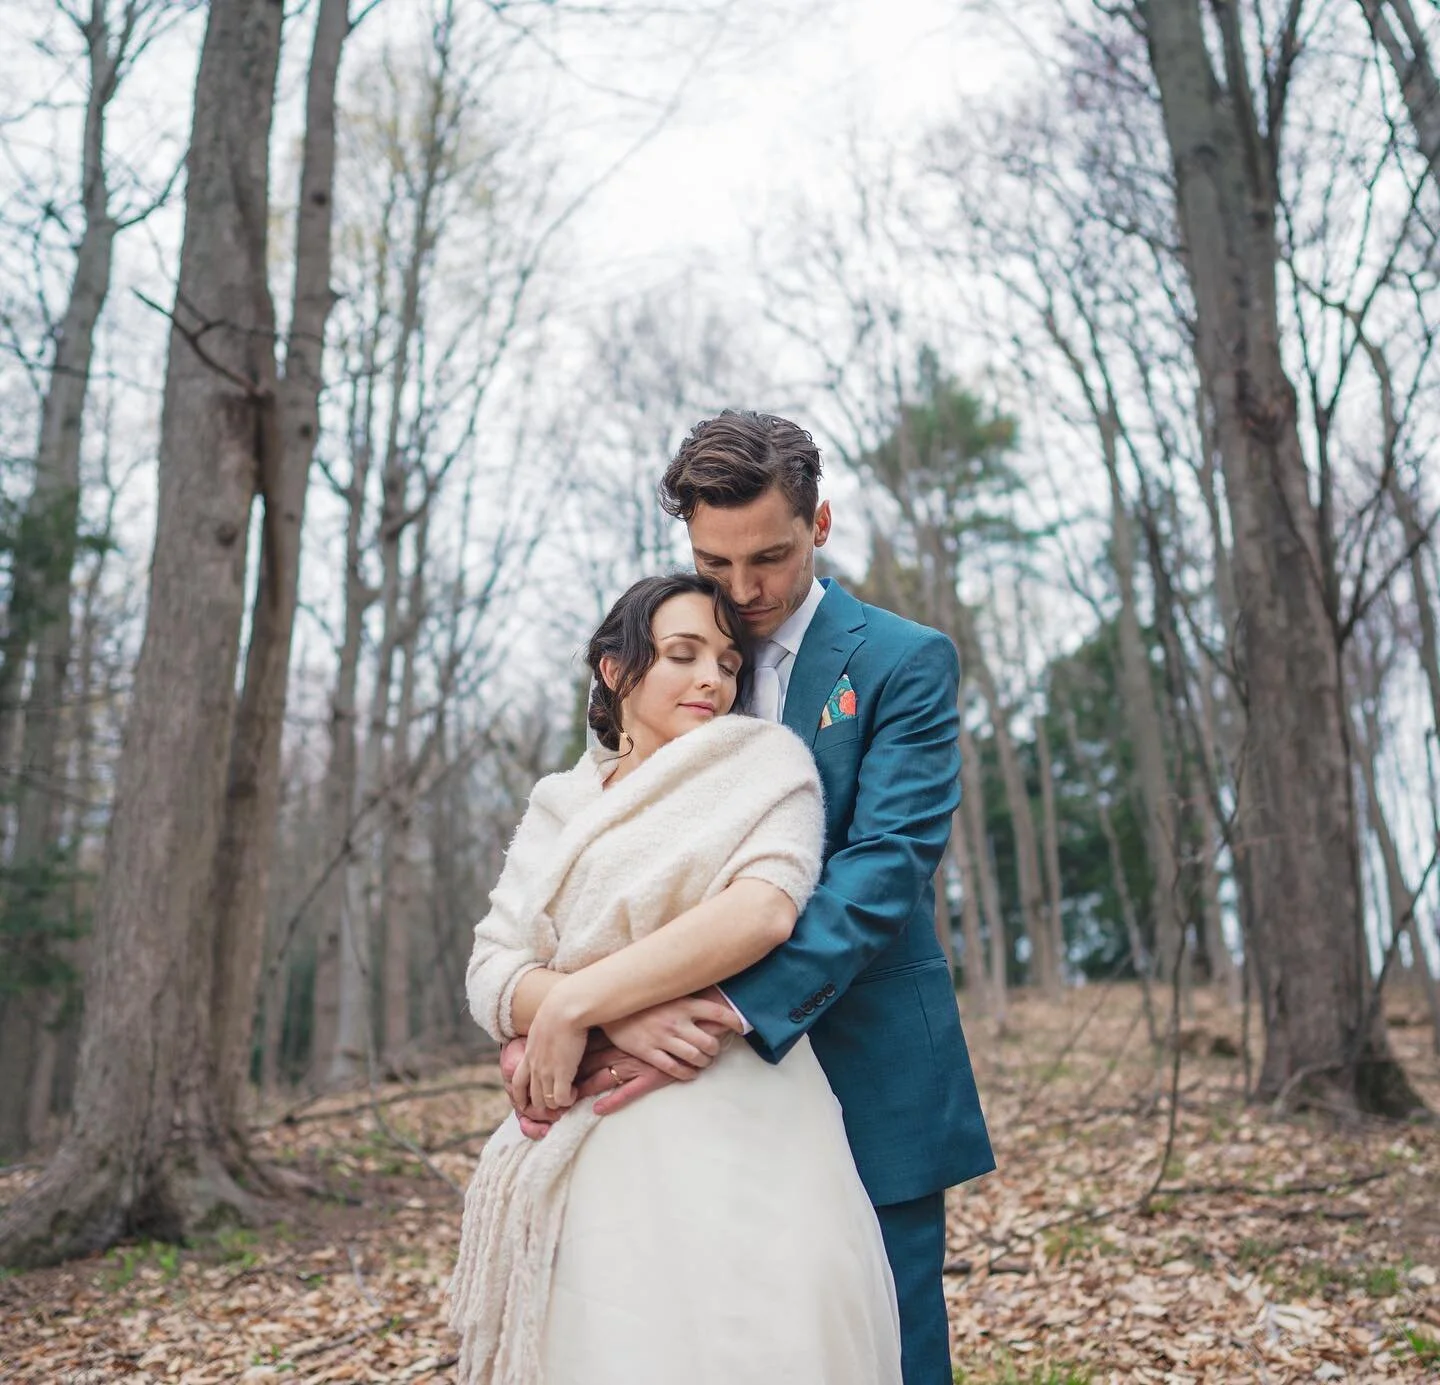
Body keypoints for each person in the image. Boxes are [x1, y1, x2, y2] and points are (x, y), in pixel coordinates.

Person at [500, 410, 995, 1383]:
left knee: (887, 1346)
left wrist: (720, 1004)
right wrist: (564, 1011)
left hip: (865, 1061)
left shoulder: (903, 661)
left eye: (767, 556)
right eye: (713, 562)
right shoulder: (664, 663)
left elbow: (883, 868)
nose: (742, 592)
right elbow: (601, 876)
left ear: (822, 522)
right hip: (681, 1098)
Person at [450, 572, 904, 1385]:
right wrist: (614, 1019)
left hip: (734, 1097)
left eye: (728, 662)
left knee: (748, 1338)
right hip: (596, 1121)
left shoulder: (765, 762)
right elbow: (493, 968)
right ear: (614, 670)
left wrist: (581, 1000)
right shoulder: (561, 802)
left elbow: (762, 909)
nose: (713, 679)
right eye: (683, 654)